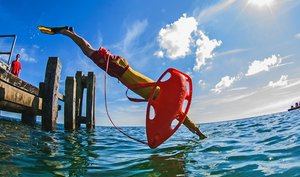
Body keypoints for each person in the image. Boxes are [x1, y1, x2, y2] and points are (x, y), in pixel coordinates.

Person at [38, 26, 207, 139]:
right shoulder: (161, 97)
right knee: (88, 52)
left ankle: (70, 32)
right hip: (120, 70)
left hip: (121, 69)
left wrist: (198, 132)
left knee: (89, 51)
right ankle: (67, 32)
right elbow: (180, 115)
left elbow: (181, 116)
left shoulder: (165, 102)